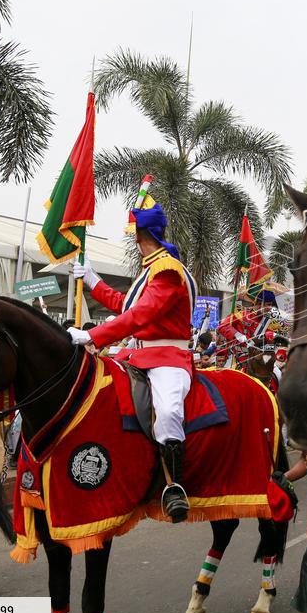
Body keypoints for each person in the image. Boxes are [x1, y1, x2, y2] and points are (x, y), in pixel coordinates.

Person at [69, 195, 197, 522]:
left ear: (142, 237)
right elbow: (126, 305)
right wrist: (94, 280)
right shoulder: (152, 270)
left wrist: (93, 335)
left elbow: (142, 314)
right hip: (136, 355)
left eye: (135, 236)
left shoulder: (167, 270)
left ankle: (173, 485)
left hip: (168, 356)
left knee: (168, 411)